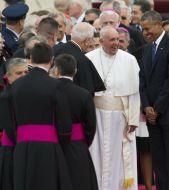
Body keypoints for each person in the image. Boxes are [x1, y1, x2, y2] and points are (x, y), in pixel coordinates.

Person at [7, 42, 74, 190]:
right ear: (51, 60)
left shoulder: (15, 86)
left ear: (31, 58)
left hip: (22, 147)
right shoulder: (56, 85)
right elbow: (64, 122)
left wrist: (18, 140)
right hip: (49, 147)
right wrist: (62, 144)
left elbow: (10, 121)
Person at [86, 26, 140, 190]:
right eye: (112, 40)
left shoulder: (129, 60)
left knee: (120, 159)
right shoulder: (89, 58)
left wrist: (133, 119)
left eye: (118, 39)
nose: (116, 43)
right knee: (97, 155)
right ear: (101, 41)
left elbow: (135, 92)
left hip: (120, 119)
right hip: (97, 116)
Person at [139, 10, 169, 190]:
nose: (145, 33)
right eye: (143, 30)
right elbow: (142, 79)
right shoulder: (146, 49)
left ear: (159, 25)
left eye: (148, 29)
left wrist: (156, 109)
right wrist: (146, 106)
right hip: (152, 113)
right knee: (158, 159)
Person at [51, 54, 98, 190]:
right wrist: (84, 142)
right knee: (79, 180)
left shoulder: (50, 91)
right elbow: (91, 125)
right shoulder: (83, 94)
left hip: (54, 143)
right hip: (78, 144)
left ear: (56, 70)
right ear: (75, 71)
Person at [53, 22, 105, 94]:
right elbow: (87, 92)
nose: (93, 43)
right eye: (92, 39)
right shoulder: (82, 60)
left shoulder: (55, 49)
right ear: (87, 41)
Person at [0, 58, 28, 190]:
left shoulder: (30, 93)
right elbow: (10, 128)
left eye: (26, 72)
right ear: (9, 77)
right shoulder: (6, 97)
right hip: (13, 148)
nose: (23, 76)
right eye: (19, 73)